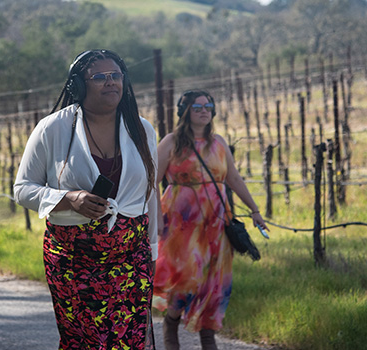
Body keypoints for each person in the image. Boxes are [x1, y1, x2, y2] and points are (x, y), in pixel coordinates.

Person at [14, 49, 158, 350]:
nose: (110, 83)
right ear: (78, 85)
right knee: (85, 341)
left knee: (127, 341)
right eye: (100, 77)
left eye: (116, 76)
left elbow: (150, 195)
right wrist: (68, 198)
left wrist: (153, 250)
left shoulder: (141, 129)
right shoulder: (52, 129)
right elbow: (23, 188)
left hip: (131, 257)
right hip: (72, 258)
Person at [153, 90, 269, 350]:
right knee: (185, 279)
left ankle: (208, 340)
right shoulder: (171, 142)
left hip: (216, 223)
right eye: (197, 107)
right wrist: (155, 218)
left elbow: (234, 179)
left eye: (208, 106)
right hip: (181, 225)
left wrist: (254, 210)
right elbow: (152, 182)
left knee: (214, 282)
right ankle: (171, 325)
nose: (204, 110)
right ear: (185, 111)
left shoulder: (218, 143)